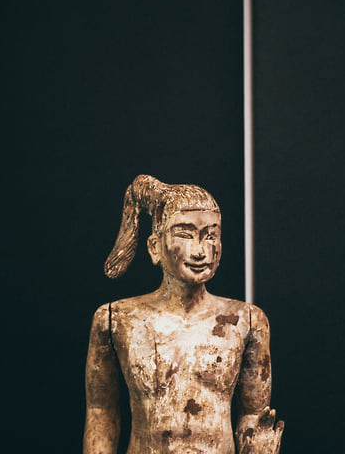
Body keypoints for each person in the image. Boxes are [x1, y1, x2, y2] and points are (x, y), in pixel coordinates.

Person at [84, 175, 283, 454]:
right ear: (155, 247)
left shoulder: (247, 320)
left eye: (210, 235)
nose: (200, 251)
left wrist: (257, 446)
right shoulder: (116, 319)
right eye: (185, 235)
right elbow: (101, 412)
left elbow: (252, 414)